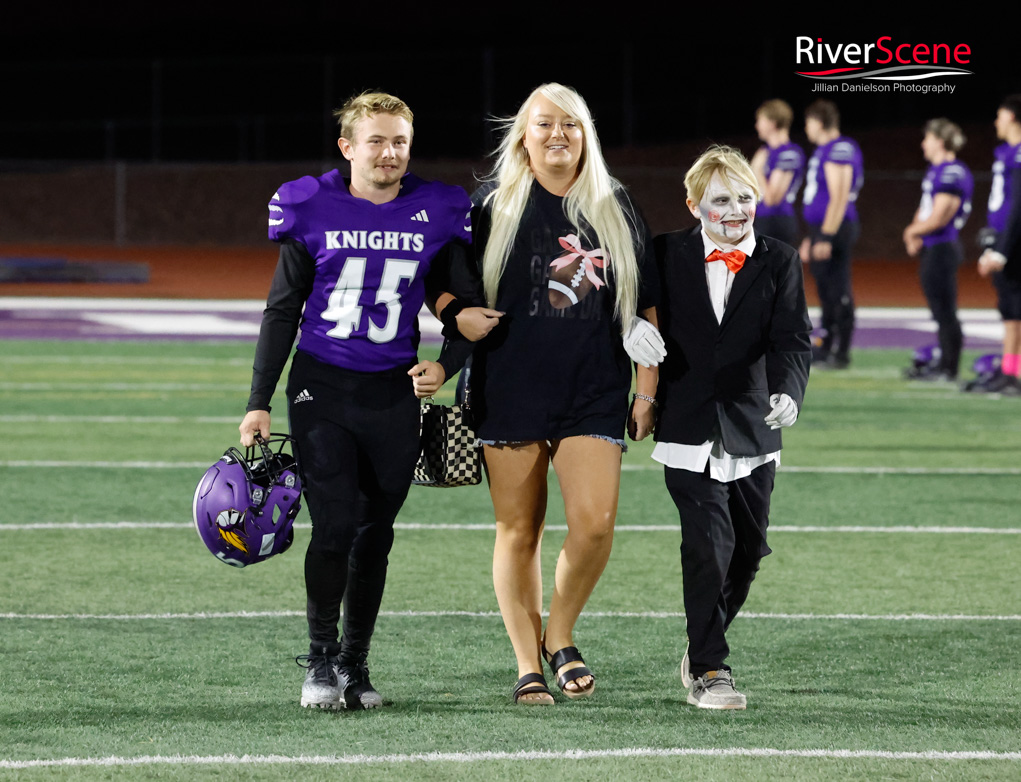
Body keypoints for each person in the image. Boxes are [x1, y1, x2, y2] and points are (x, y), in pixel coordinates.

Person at [238, 91, 496, 711]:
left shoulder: (438, 207)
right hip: (320, 385)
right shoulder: (310, 203)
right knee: (333, 527)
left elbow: (465, 306)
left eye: (400, 141)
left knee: (375, 535)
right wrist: (258, 401)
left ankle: (356, 664)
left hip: (394, 390)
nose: (389, 152)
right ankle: (321, 660)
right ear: (347, 147)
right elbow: (282, 309)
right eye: (376, 140)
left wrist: (448, 364)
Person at [454, 82, 663, 705]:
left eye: (570, 125)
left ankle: (560, 632)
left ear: (585, 134)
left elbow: (644, 300)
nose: (557, 135)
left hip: (593, 386)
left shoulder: (614, 205)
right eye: (544, 124)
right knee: (518, 529)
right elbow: (451, 287)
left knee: (595, 524)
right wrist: (450, 334)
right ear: (524, 133)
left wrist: (647, 388)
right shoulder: (491, 204)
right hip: (509, 383)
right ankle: (528, 661)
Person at [652, 146, 811, 709]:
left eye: (745, 197)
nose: (736, 209)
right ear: (695, 205)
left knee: (748, 552)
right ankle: (710, 668)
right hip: (685, 424)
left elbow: (792, 338)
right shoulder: (664, 252)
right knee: (709, 546)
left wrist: (789, 391)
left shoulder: (780, 258)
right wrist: (628, 331)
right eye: (722, 199)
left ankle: (700, 642)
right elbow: (634, 307)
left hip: (752, 428)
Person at [902, 119, 974, 381]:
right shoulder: (937, 170)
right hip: (935, 247)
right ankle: (944, 363)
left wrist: (912, 231)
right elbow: (926, 209)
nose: (924, 143)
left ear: (940, 141)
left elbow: (940, 216)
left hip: (943, 247)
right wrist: (916, 230)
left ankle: (949, 367)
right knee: (940, 310)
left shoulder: (951, 171)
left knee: (945, 311)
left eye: (928, 138)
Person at [800, 100, 864, 369]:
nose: (806, 128)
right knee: (826, 290)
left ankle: (842, 351)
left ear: (819, 121)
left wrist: (826, 236)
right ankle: (826, 346)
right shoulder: (825, 150)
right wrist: (813, 235)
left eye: (808, 122)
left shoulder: (839, 148)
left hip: (835, 228)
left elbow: (839, 196)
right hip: (823, 228)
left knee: (838, 289)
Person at [972, 94, 1021, 396]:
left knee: (1015, 308)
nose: (996, 122)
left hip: (1014, 244)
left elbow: (1018, 205)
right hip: (1007, 240)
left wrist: (1002, 248)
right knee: (1010, 310)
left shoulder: (1018, 154)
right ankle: (1008, 370)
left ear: (1014, 117)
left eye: (1000, 116)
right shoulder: (1009, 153)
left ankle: (1013, 373)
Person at [750, 99, 805, 247]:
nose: (757, 126)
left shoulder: (788, 153)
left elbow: (772, 199)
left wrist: (757, 171)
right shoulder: (766, 152)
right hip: (763, 220)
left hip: (776, 221)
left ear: (772, 123)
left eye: (760, 120)